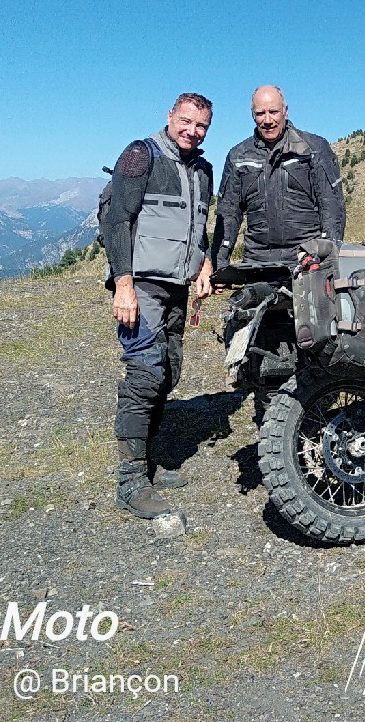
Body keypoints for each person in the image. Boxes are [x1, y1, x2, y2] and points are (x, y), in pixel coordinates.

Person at [100, 93, 215, 519]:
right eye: (185, 121)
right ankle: (130, 480)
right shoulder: (140, 155)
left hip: (177, 288)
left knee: (168, 369)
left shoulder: (202, 170)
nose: (192, 131)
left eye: (201, 126)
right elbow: (117, 220)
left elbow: (198, 226)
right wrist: (123, 284)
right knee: (145, 373)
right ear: (170, 116)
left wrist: (204, 262)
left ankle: (149, 460)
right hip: (141, 285)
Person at [212, 85, 345, 269]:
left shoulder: (314, 149)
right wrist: (219, 267)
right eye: (260, 113)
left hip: (306, 262)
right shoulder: (238, 157)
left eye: (273, 112)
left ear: (285, 111)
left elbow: (332, 209)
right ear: (252, 115)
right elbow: (228, 215)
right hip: (256, 264)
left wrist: (328, 260)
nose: (268, 120)